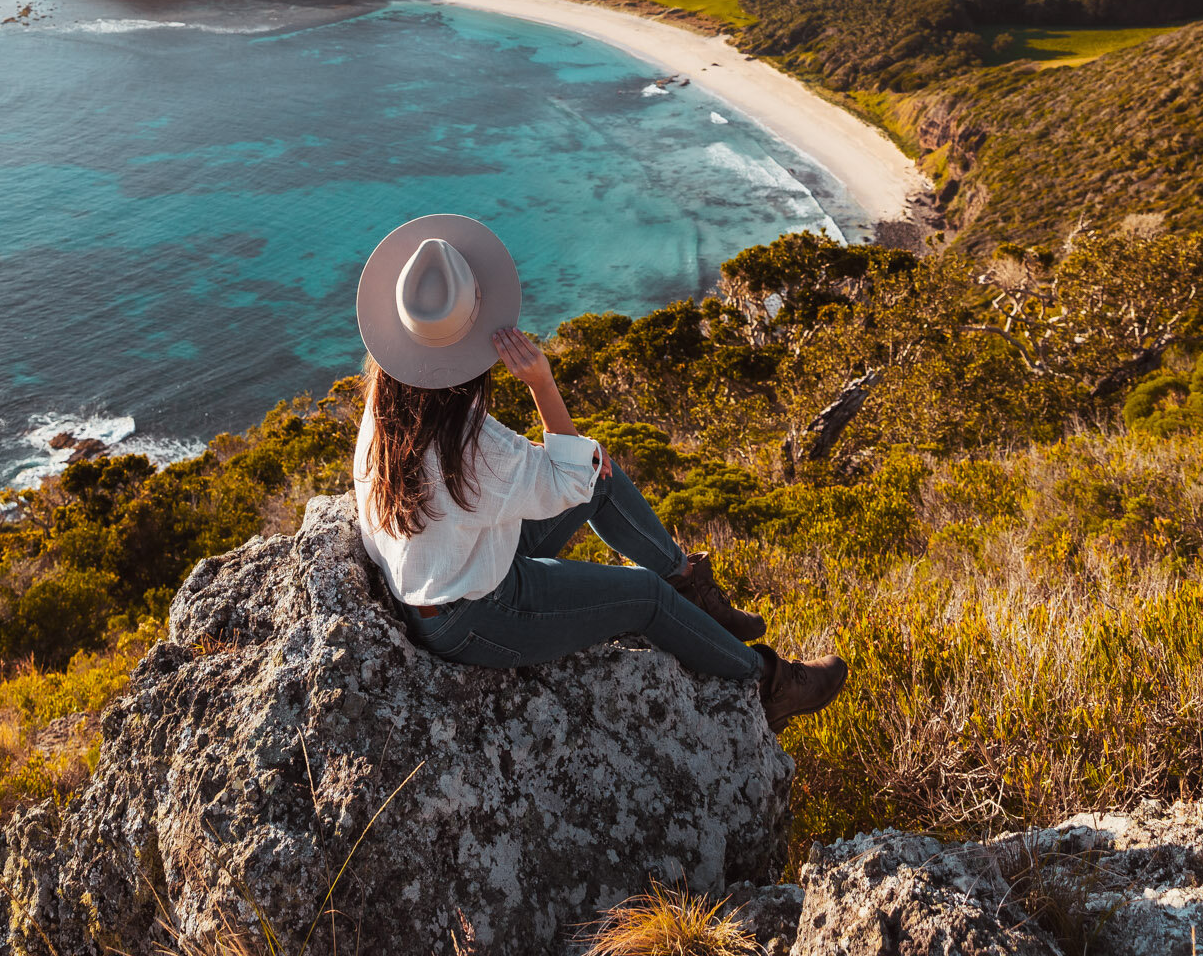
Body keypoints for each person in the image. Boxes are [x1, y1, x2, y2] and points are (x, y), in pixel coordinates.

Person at [352, 213, 847, 732]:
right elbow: (566, 479)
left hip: (456, 568)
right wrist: (542, 382)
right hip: (474, 616)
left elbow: (568, 475)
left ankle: (688, 586)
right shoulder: (474, 447)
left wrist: (582, 462)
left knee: (601, 477)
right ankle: (768, 684)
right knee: (643, 597)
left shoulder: (388, 406)